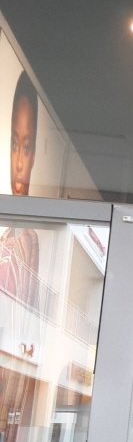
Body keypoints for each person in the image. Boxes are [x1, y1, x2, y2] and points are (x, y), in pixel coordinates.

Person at [0, 71, 40, 307]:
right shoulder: (6, 236)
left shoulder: (29, 239)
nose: (19, 164)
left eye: (26, 148)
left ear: (34, 156)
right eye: (15, 145)